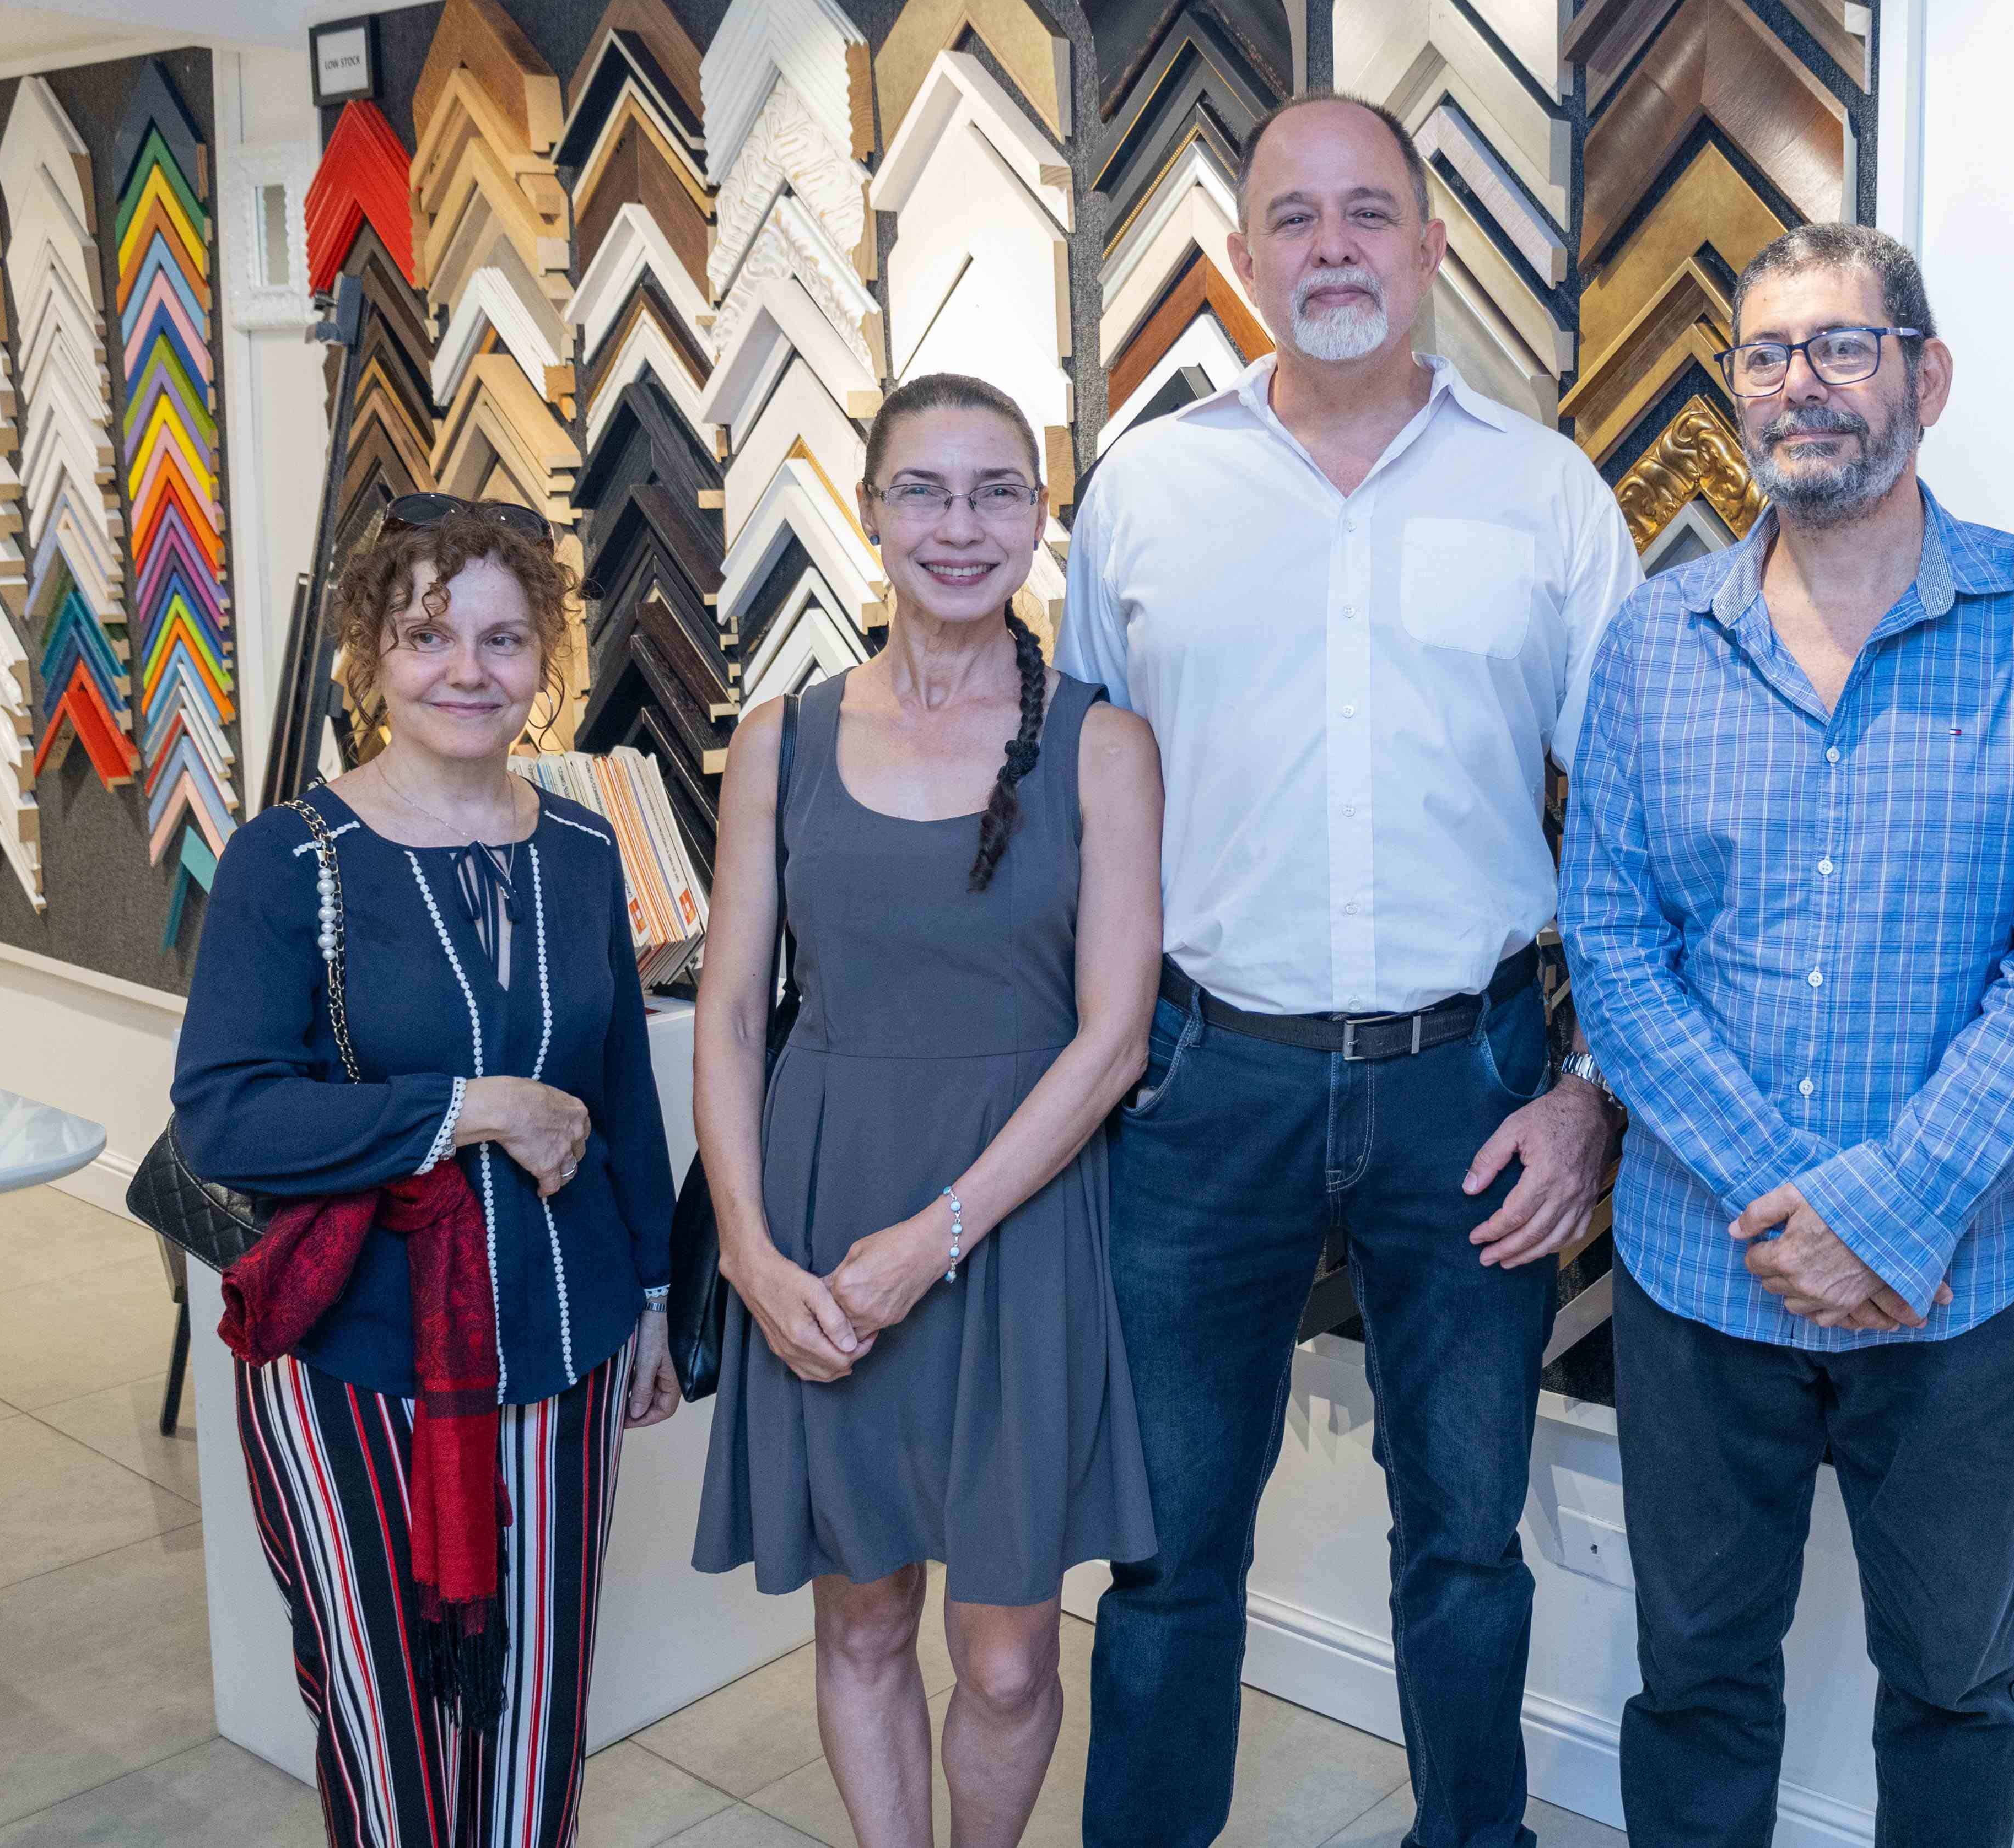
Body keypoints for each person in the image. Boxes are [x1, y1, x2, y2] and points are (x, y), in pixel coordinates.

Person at [1063, 93, 1637, 1848]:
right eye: (1295, 217)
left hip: (1466, 1087)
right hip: (1197, 1080)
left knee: (1463, 1533)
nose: (1333, 248)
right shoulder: (1145, 491)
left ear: (1431, 244)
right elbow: (1097, 798)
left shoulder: (1542, 492)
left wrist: (1592, 1089)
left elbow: (1631, 815)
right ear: (1243, 260)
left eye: (1368, 213)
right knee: (1167, 1547)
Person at [1559, 222, 2014, 1848]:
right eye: (1762, 352)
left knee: (1955, 1685)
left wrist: (1881, 1214)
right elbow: (1610, 948)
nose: (1796, 383)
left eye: (1839, 345)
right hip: (1702, 1275)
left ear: (1924, 375)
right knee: (1696, 1684)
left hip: (1959, 1286)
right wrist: (1791, 1215)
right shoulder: (1651, 646)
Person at [691, 374, 1163, 1848]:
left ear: (1039, 518)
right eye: (925, 491)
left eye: (997, 492)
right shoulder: (778, 736)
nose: (961, 526)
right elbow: (725, 1006)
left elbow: (1113, 1039)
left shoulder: (1102, 745)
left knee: (1011, 1654)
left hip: (1012, 1226)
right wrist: (749, 1253)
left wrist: (940, 1233)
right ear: (868, 511)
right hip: (823, 1206)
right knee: (865, 1607)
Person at [175, 495, 684, 1848]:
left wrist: (649, 1299)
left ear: (543, 661)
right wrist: (474, 1109)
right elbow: (224, 1117)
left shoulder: (580, 847)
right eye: (427, 634)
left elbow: (622, 1088)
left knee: (535, 1706)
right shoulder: (289, 860)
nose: (468, 669)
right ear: (370, 657)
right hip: (355, 1355)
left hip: (564, 1347)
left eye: (504, 638)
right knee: (386, 1710)